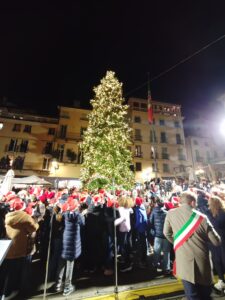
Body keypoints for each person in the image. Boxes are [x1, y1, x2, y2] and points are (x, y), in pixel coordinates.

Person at [163, 191, 221, 300]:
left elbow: (166, 233)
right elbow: (216, 241)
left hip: (184, 261)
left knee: (191, 295)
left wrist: (179, 244)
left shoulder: (170, 214)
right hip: (202, 262)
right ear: (193, 203)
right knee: (205, 295)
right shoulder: (202, 218)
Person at [207, 195, 225, 292]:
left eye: (209, 203)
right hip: (217, 242)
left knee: (221, 261)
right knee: (218, 261)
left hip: (219, 242)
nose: (208, 204)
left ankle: (222, 280)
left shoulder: (220, 214)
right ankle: (222, 280)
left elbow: (215, 225)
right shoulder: (213, 213)